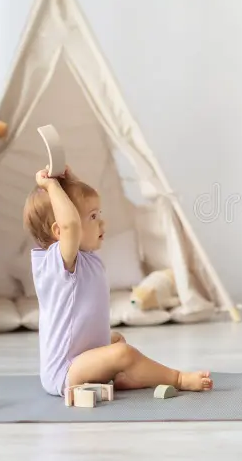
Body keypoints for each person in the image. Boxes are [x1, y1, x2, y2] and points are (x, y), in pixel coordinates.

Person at [24, 165, 213, 397]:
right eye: (93, 217)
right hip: (65, 372)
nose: (102, 223)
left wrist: (69, 182)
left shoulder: (84, 257)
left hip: (83, 360)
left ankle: (122, 377)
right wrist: (51, 186)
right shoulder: (56, 264)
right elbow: (70, 224)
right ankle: (178, 378)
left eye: (98, 214)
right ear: (60, 231)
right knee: (123, 354)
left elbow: (73, 218)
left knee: (115, 341)